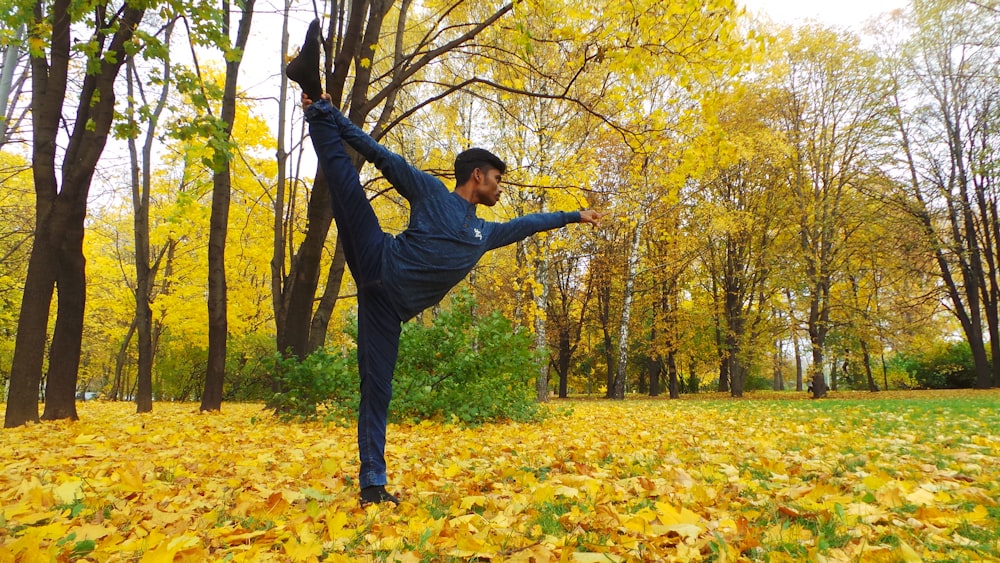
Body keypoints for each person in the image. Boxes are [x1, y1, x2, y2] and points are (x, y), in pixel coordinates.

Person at [286, 19, 603, 506]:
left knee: (378, 389)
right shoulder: (432, 193)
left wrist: (575, 216)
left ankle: (372, 485)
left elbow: (533, 222)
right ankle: (314, 98)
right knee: (347, 185)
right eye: (497, 177)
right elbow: (379, 155)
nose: (500, 186)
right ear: (478, 175)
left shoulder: (485, 233)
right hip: (378, 256)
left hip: (385, 311)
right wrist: (332, 115)